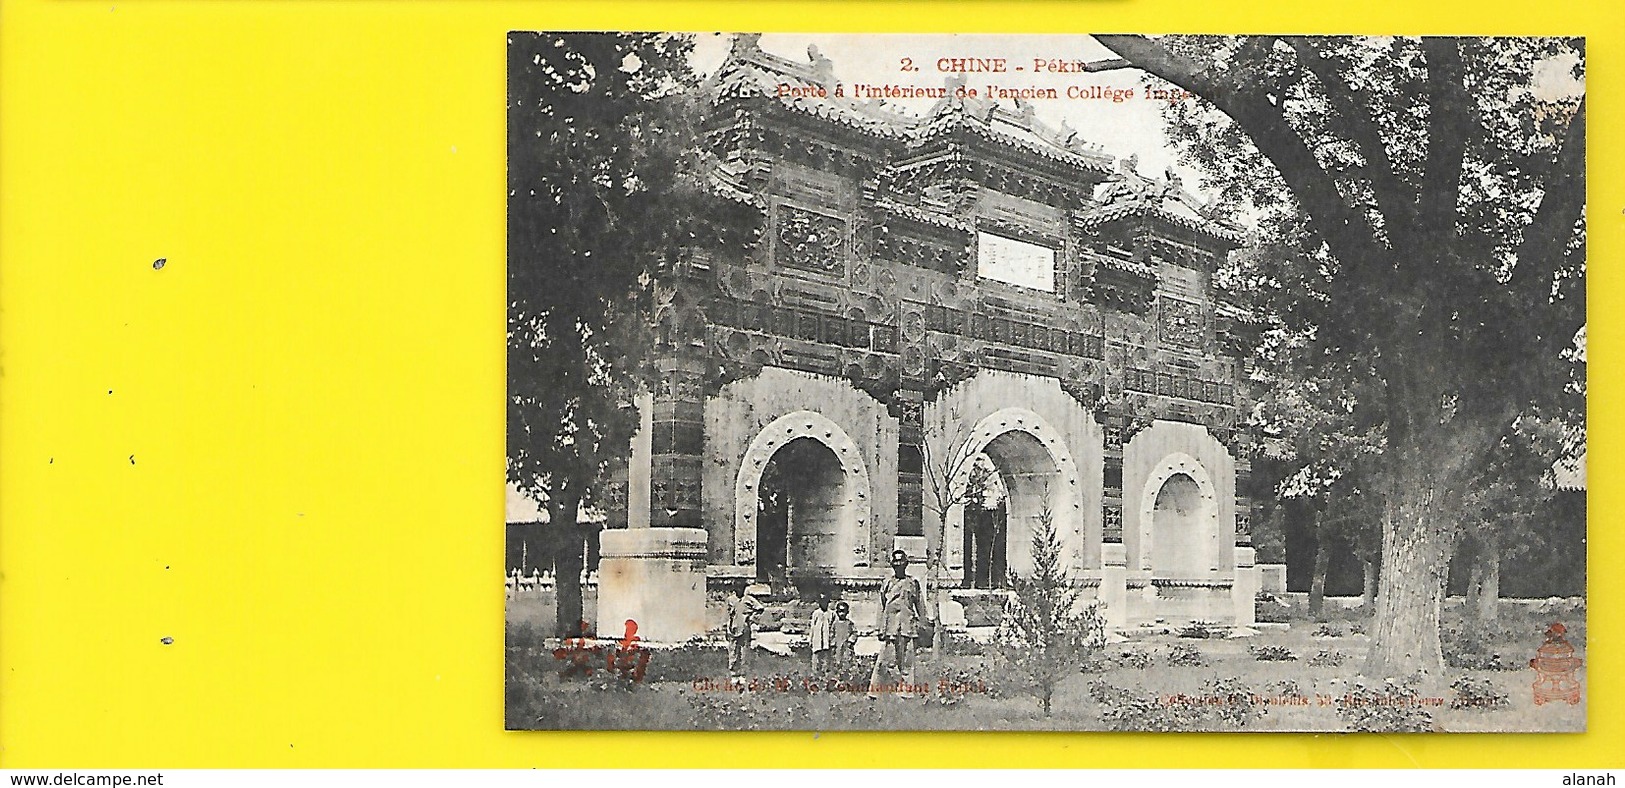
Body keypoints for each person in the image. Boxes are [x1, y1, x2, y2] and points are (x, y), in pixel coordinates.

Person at [869, 549, 928, 699]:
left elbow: (920, 605)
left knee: (907, 661)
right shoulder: (887, 583)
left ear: (906, 563)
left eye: (901, 561)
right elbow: (881, 607)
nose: (898, 565)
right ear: (891, 564)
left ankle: (906, 692)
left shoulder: (913, 583)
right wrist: (879, 628)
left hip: (907, 626)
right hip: (890, 627)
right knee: (884, 660)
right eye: (895, 562)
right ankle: (875, 691)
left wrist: (924, 623)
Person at [725, 581, 762, 677]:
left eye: (741, 588)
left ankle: (744, 673)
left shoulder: (749, 599)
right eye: (737, 588)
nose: (739, 590)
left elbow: (760, 608)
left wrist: (751, 618)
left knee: (744, 650)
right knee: (733, 649)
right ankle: (733, 671)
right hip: (733, 627)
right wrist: (727, 627)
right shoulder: (731, 600)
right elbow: (728, 614)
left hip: (744, 627)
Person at [808, 595, 837, 678]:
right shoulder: (816, 613)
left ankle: (826, 673)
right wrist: (811, 639)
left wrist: (832, 638)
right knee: (816, 655)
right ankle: (815, 673)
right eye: (821, 602)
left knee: (826, 656)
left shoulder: (831, 613)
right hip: (817, 638)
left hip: (827, 638)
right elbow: (812, 627)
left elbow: (833, 627)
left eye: (825, 602)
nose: (823, 604)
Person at [832, 600, 857, 672]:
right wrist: (833, 643)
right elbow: (831, 634)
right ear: (837, 612)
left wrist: (850, 641)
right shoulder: (835, 624)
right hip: (837, 647)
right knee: (837, 662)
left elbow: (854, 633)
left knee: (847, 662)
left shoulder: (849, 623)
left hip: (847, 646)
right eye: (840, 611)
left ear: (847, 612)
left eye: (843, 611)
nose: (842, 614)